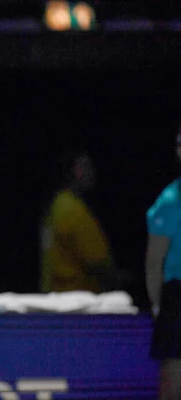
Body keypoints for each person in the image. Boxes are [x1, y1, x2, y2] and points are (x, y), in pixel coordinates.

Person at [40, 148, 115, 293]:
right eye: (86, 167)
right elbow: (97, 262)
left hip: (55, 294)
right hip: (78, 298)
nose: (92, 172)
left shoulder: (55, 205)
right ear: (75, 171)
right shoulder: (73, 209)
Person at [146, 130, 181, 400]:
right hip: (178, 294)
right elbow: (154, 262)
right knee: (173, 371)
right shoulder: (169, 201)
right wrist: (158, 306)